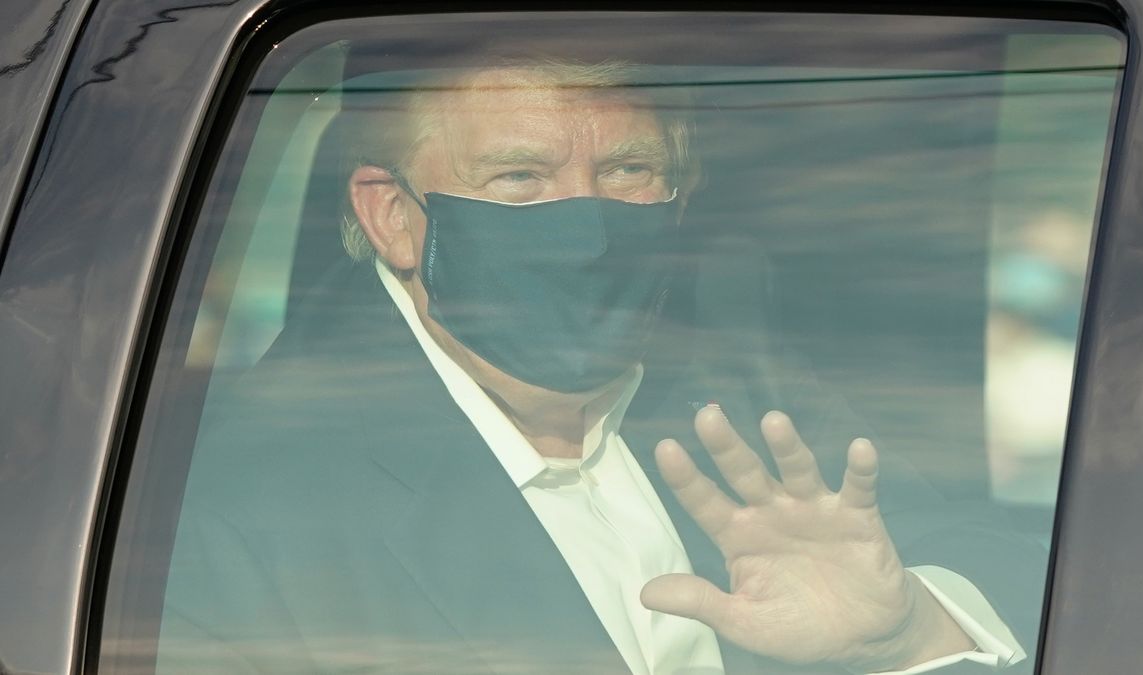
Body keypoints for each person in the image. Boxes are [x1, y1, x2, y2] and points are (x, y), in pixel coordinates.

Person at [159, 58, 1042, 674]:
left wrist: (905, 634)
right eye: (518, 180)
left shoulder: (741, 392)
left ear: (677, 195)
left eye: (626, 170)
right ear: (393, 216)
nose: (585, 228)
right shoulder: (237, 502)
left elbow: (1041, 574)